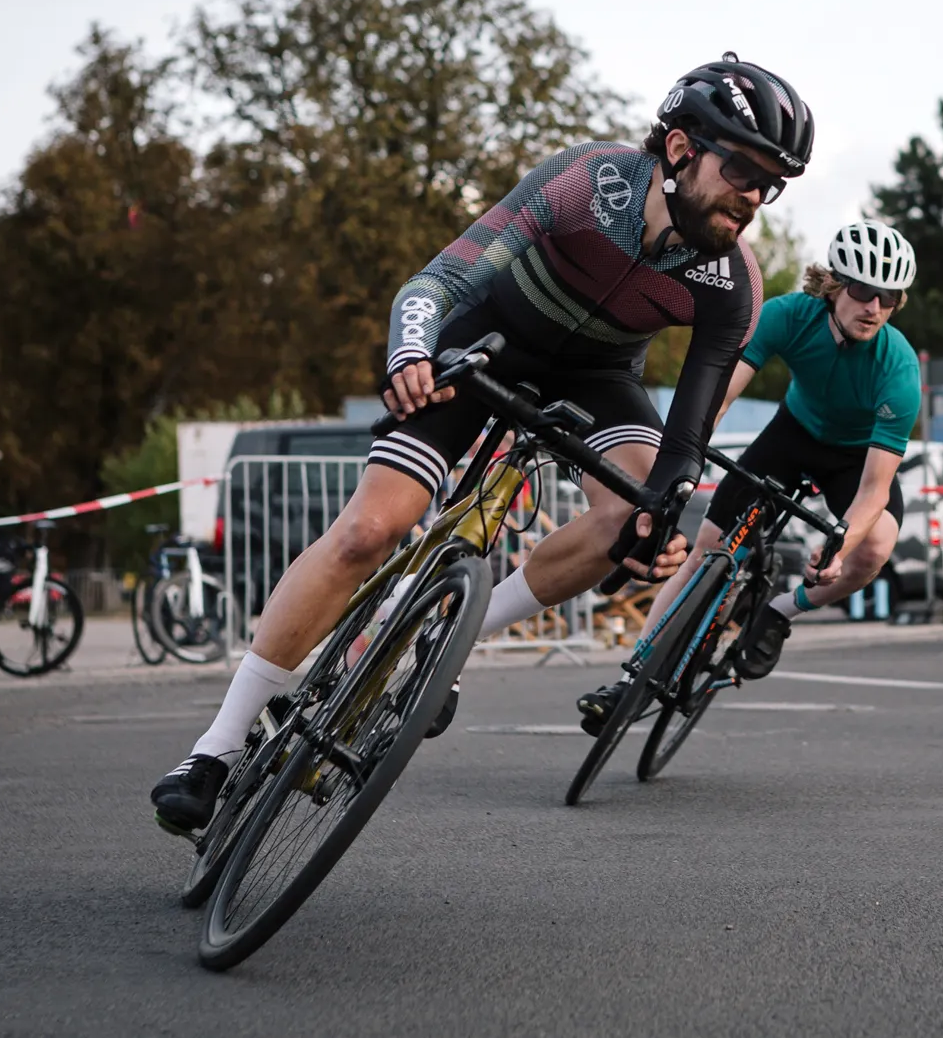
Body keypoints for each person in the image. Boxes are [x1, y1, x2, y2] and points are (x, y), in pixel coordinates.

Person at [150, 54, 814, 834]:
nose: (755, 196)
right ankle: (216, 747)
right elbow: (438, 283)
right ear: (678, 149)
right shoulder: (583, 182)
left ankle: (447, 636)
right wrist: (411, 351)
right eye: (743, 168)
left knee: (626, 514)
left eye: (774, 183)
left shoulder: (733, 278)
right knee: (369, 530)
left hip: (597, 376)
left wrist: (657, 520)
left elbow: (687, 438)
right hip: (487, 341)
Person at [576, 222, 923, 728]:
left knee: (874, 547)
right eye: (862, 290)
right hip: (793, 433)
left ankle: (780, 610)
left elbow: (874, 488)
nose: (873, 307)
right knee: (706, 551)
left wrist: (840, 547)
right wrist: (684, 462)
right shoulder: (786, 315)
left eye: (887, 297)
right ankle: (631, 678)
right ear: (834, 285)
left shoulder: (899, 371)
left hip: (853, 456)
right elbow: (717, 400)